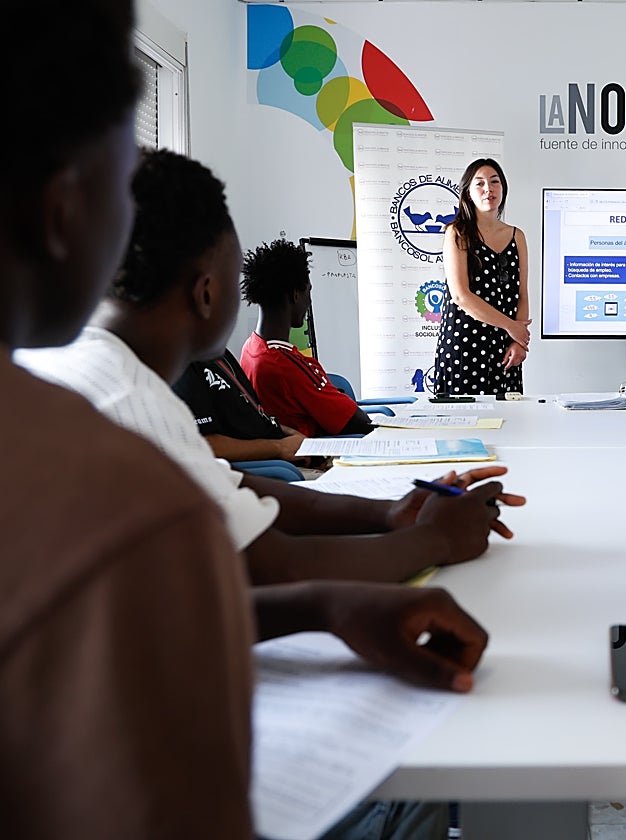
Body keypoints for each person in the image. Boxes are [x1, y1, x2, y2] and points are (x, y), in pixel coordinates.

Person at [0, 3, 489, 837]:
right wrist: (431, 539)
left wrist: (374, 539)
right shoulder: (116, 469)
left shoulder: (79, 397)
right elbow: (243, 552)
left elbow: (230, 503)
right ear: (67, 211)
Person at [19, 149, 525, 587]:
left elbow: (229, 486)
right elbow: (277, 565)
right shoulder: (131, 406)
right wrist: (433, 538)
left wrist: (388, 513)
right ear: (207, 292)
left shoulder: (93, 373)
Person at [238, 238, 374, 437]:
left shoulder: (252, 347)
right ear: (295, 295)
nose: (309, 300)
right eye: (308, 291)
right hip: (314, 460)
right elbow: (357, 422)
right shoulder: (283, 364)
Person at [432, 158, 530, 396]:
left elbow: (522, 294)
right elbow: (460, 296)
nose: (489, 189)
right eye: (480, 183)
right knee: (464, 425)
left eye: (495, 182)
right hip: (464, 342)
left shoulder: (517, 236)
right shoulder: (458, 233)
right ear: (467, 193)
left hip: (505, 346)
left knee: (510, 424)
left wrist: (519, 343)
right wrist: (511, 327)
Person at [173, 348, 314, 466]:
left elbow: (249, 416)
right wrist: (280, 447)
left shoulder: (218, 353)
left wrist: (289, 433)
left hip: (280, 452)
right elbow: (206, 443)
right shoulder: (183, 362)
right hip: (269, 466)